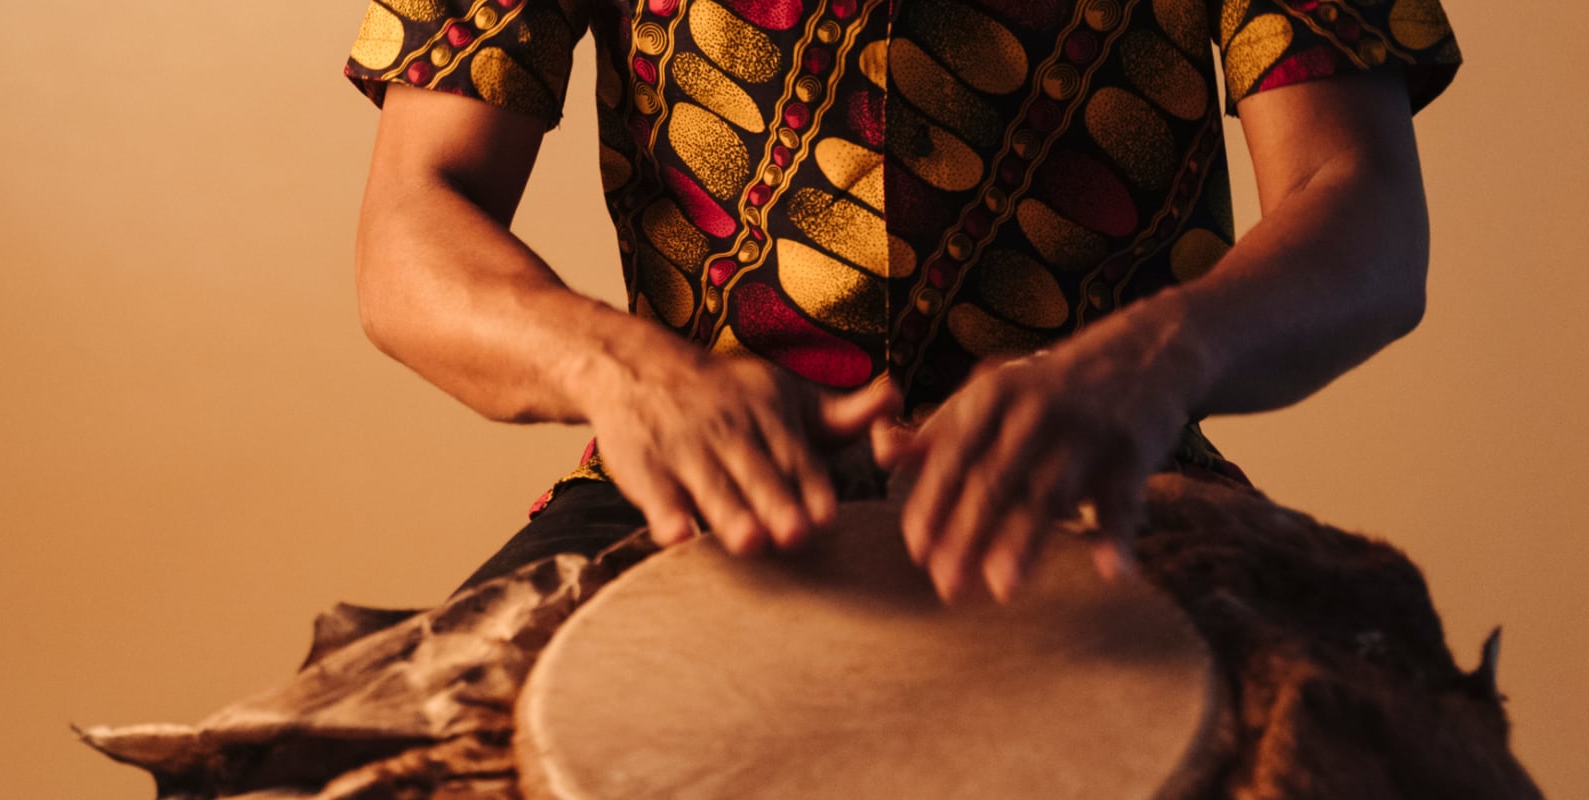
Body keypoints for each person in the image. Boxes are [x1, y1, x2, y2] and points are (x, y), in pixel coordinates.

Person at [344, 0, 1461, 603]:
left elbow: (1356, 202)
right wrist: (621, 370)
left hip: (1109, 476)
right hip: (698, 482)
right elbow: (411, 227)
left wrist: (1154, 358)